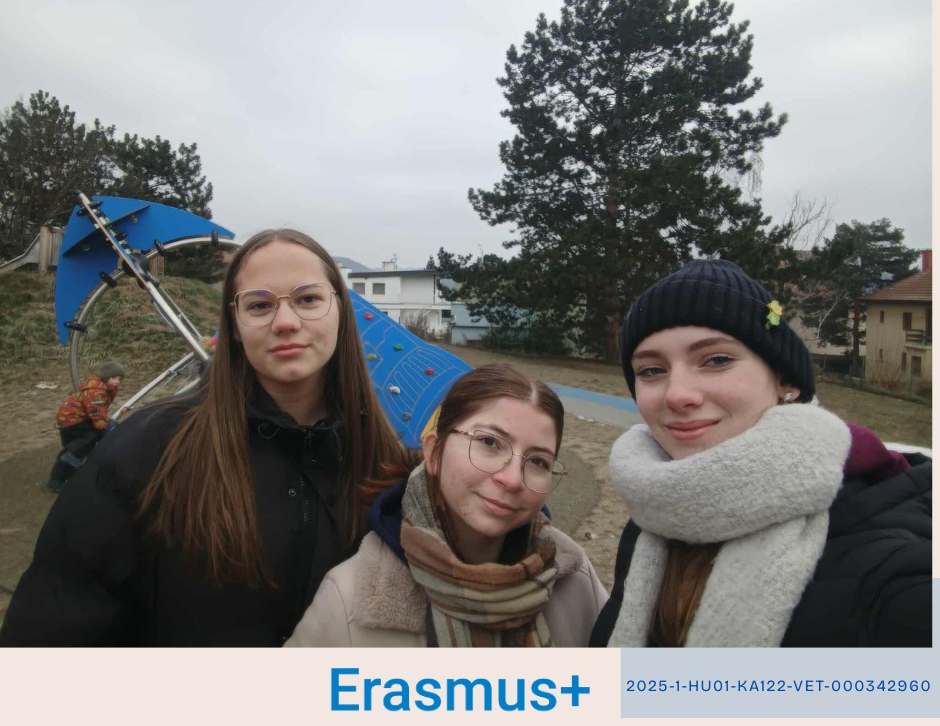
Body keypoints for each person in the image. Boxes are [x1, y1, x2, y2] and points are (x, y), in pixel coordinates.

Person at [0, 229, 414, 647]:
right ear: (233, 324)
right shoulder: (147, 451)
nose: (286, 322)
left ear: (340, 310)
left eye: (308, 299)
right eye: (259, 305)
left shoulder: (383, 458)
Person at [589, 259, 931, 648]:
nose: (677, 395)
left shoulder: (892, 558)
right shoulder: (653, 516)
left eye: (717, 360)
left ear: (785, 380)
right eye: (651, 370)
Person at [286, 363, 608, 647]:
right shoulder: (350, 601)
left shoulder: (574, 580)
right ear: (433, 452)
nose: (512, 480)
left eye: (538, 461)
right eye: (489, 442)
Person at [44, 360, 125, 493]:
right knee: (91, 436)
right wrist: (105, 428)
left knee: (70, 452)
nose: (117, 381)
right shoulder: (96, 391)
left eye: (119, 379)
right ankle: (72, 457)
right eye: (114, 377)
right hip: (73, 419)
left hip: (69, 419)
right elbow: (96, 412)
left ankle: (55, 481)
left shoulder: (102, 388)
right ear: (106, 376)